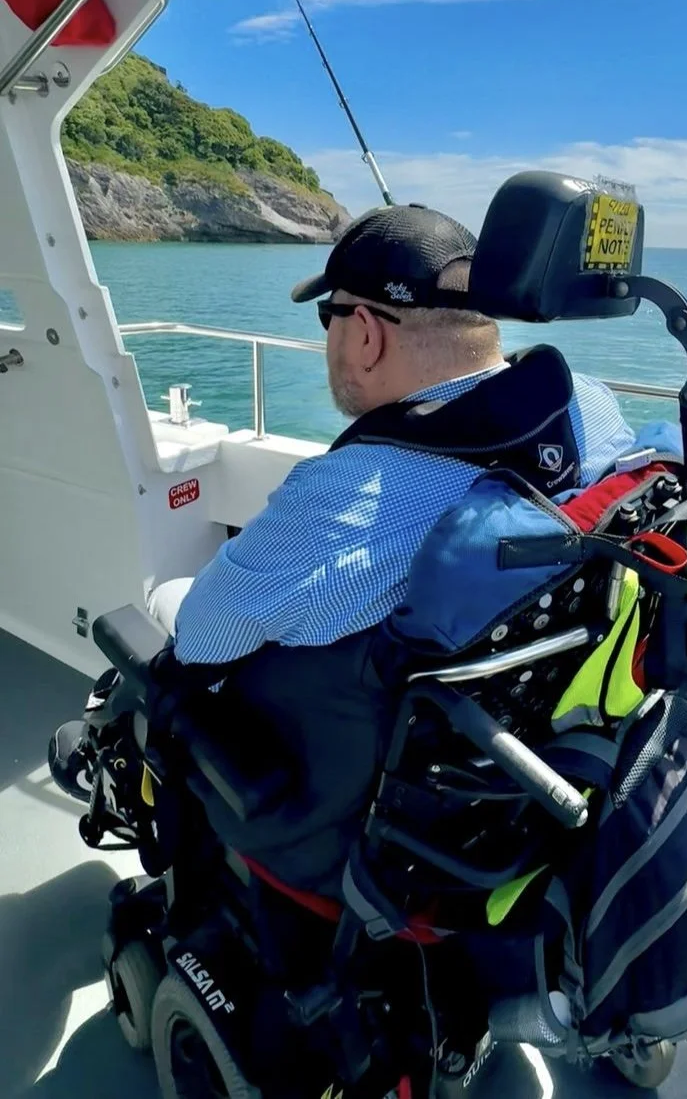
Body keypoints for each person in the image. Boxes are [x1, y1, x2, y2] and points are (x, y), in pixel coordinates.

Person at [54, 202, 642, 894]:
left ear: (365, 332)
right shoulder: (591, 411)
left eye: (328, 316)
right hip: (517, 785)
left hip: (350, 822)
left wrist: (168, 598)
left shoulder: (342, 500)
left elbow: (204, 642)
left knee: (161, 615)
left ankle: (124, 780)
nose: (329, 337)